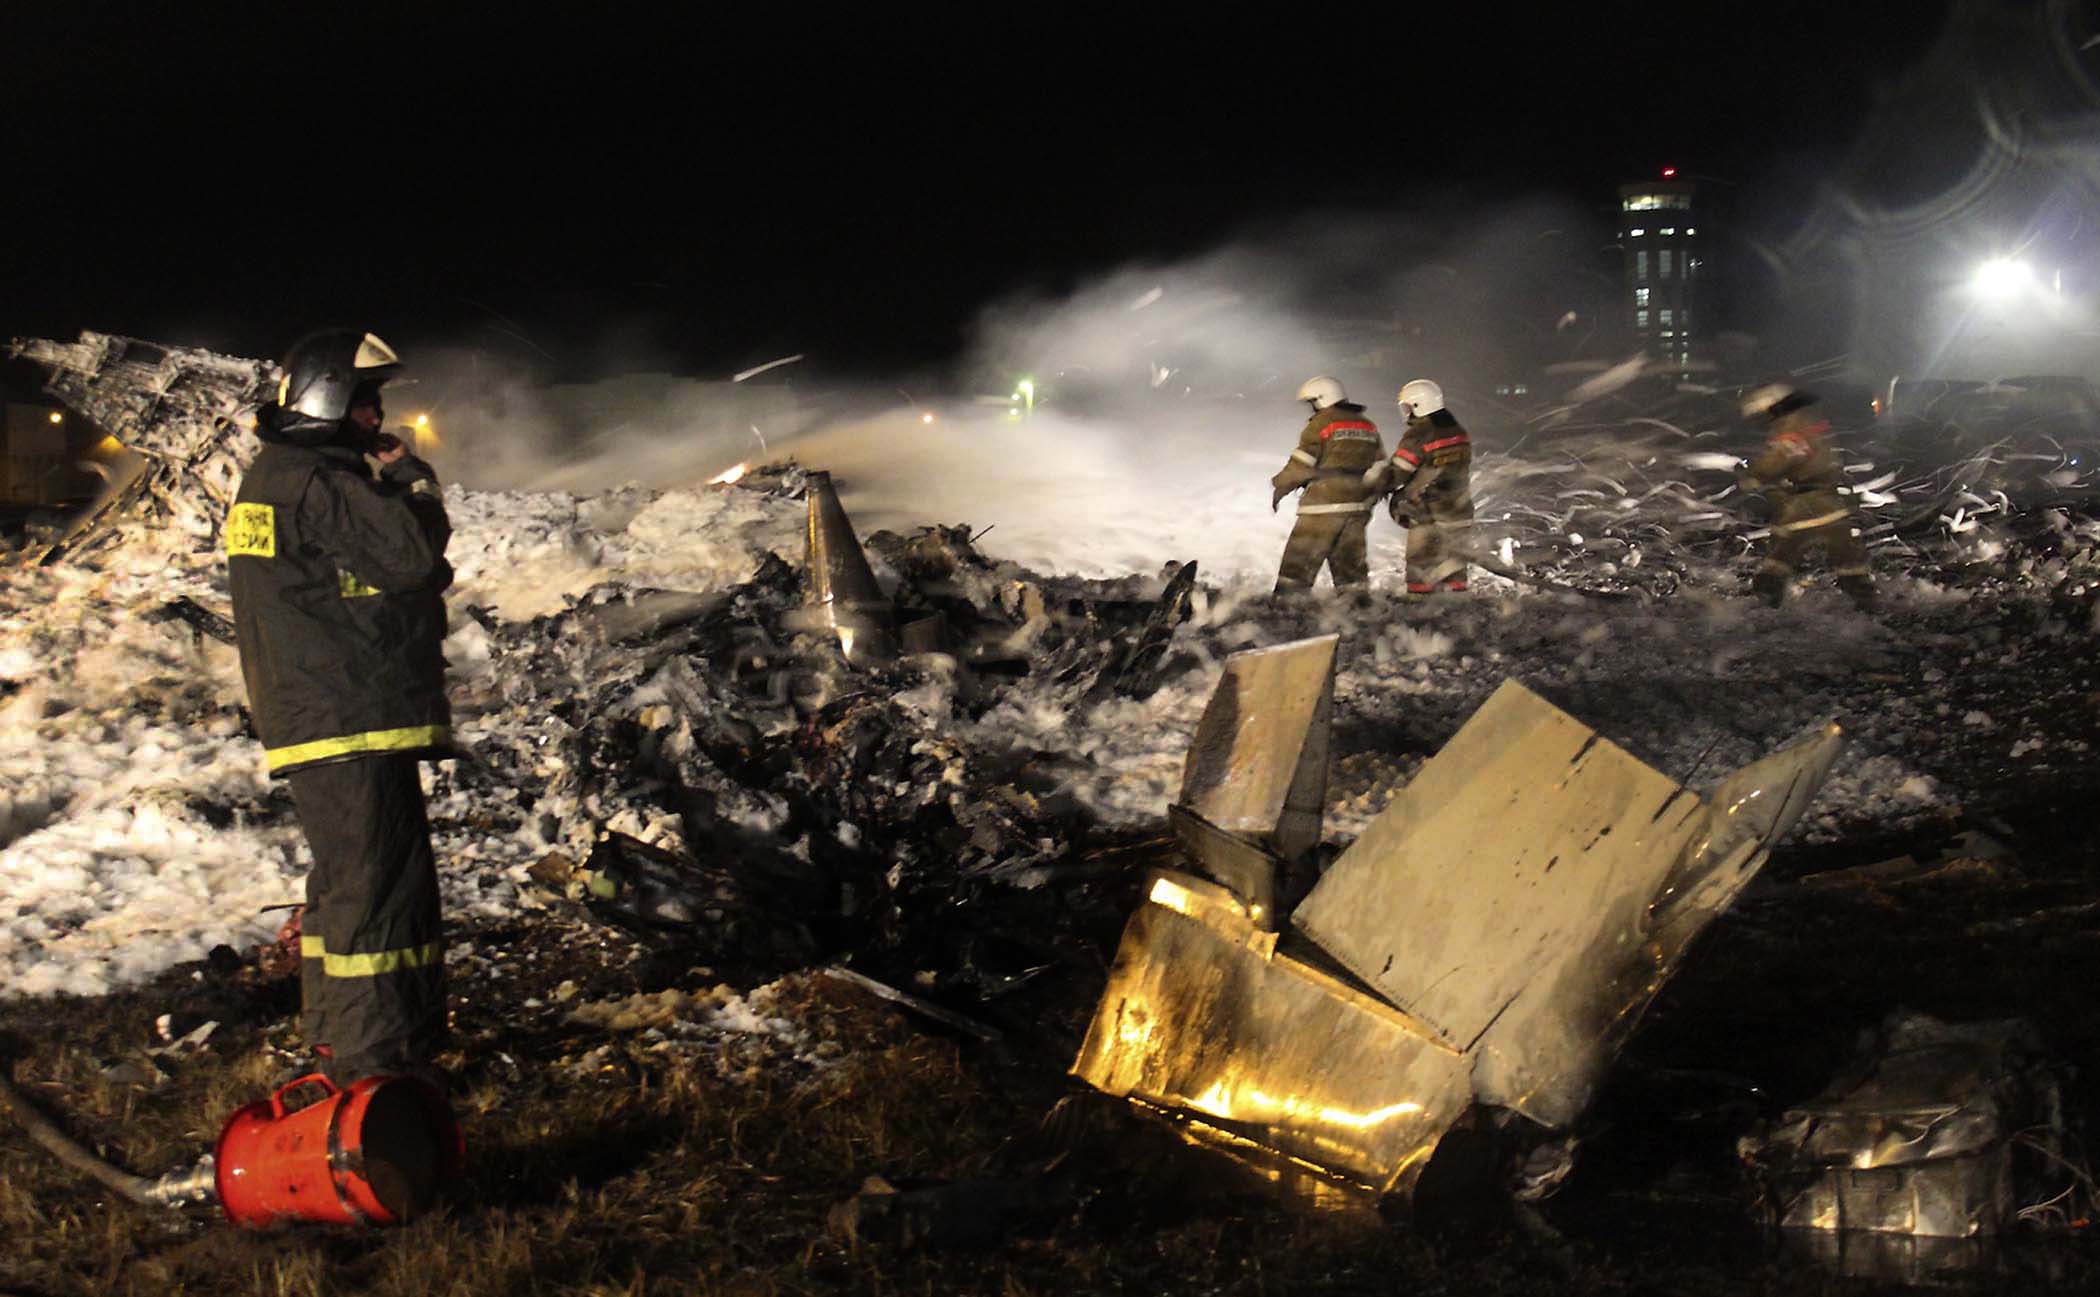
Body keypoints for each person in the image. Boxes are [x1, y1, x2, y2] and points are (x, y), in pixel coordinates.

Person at [225, 329, 455, 1085]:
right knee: (378, 888)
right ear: (327, 399)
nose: (375, 417)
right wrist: (414, 482)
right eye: (364, 403)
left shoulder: (280, 475)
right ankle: (375, 1063)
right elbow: (412, 556)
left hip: (325, 710)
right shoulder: (317, 481)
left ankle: (342, 1036)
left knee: (349, 883)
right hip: (347, 711)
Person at [1739, 384, 1874, 611]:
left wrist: (1753, 474)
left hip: (1805, 506)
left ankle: (1761, 609)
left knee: (1779, 560)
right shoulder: (1812, 422)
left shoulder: (1790, 427)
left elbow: (1779, 459)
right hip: (1834, 504)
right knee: (1849, 563)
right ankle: (1870, 608)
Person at [1270, 375, 1386, 592]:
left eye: (1312, 403)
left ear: (1322, 399)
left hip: (1321, 506)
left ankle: (1288, 606)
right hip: (1357, 508)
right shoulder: (1367, 425)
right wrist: (1370, 496)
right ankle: (1357, 607)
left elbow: (1301, 464)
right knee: (1351, 569)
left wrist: (1280, 485)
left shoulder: (1322, 423)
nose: (1312, 409)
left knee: (1298, 565)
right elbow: (1380, 466)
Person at [1384, 379, 1474, 594]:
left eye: (1408, 408)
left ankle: (1420, 603)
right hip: (1460, 509)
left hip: (1428, 513)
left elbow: (1398, 472)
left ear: (1418, 405)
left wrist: (1376, 484)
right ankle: (1457, 604)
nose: (1406, 414)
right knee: (1454, 563)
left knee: (1421, 564)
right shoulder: (1457, 430)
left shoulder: (1420, 433)